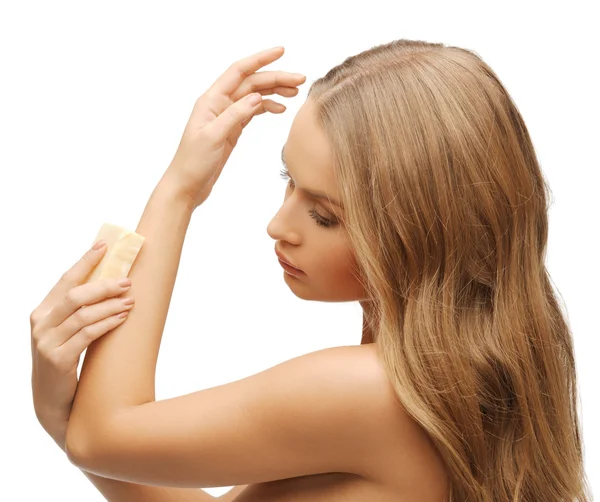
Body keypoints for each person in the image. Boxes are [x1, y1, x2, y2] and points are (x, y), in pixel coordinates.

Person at [30, 40, 591, 501]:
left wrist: (178, 192)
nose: (279, 225)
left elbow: (103, 435)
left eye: (324, 215)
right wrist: (67, 423)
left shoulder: (366, 390)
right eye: (287, 182)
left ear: (421, 232)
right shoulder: (468, 377)